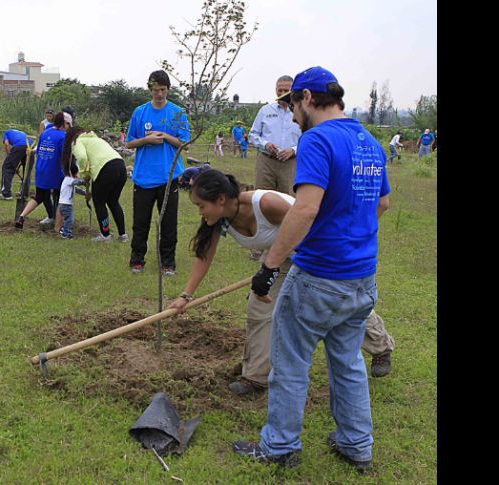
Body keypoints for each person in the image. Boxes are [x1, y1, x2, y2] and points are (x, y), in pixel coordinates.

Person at [231, 66, 391, 473]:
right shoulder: (368, 140)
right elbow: (383, 204)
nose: (290, 113)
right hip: (361, 278)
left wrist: (269, 267)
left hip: (319, 276)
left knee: (290, 362)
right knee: (348, 361)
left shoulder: (317, 139)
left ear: (306, 98)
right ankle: (357, 445)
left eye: (291, 104)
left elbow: (305, 208)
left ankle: (280, 446)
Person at [168, 169, 395, 400]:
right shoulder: (219, 219)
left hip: (317, 250)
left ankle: (381, 347)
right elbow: (204, 256)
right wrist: (185, 296)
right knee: (259, 308)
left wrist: (296, 267)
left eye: (201, 205)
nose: (200, 212)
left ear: (221, 199)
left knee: (337, 302)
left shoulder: (266, 204)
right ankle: (255, 376)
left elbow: (311, 228)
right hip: (278, 257)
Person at [125, 69, 191, 275]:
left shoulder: (177, 113)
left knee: (169, 223)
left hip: (168, 176)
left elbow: (185, 143)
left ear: (168, 89)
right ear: (150, 90)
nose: (159, 94)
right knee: (140, 222)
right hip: (143, 177)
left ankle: (168, 263)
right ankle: (137, 260)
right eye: (155, 90)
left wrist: (165, 136)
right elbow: (129, 142)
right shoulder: (140, 112)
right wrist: (146, 140)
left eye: (163, 90)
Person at [61, 126, 129, 243]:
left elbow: (82, 157)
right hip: (120, 166)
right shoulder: (96, 139)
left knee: (99, 203)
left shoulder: (77, 141)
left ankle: (105, 235)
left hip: (105, 169)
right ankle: (123, 235)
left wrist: (84, 173)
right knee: (113, 201)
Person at [14, 112, 70, 229]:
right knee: (60, 197)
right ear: (63, 124)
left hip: (41, 169)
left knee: (39, 196)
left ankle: (21, 217)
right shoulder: (62, 136)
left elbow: (38, 150)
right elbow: (64, 156)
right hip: (54, 172)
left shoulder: (45, 133)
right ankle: (58, 227)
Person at [248, 75, 302, 195]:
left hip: (291, 164)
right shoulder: (265, 111)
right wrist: (265, 144)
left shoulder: (300, 112)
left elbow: (308, 139)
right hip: (266, 161)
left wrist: (293, 150)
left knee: (289, 200)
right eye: (280, 90)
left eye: (286, 90)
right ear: (275, 90)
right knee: (261, 198)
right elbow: (253, 135)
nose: (282, 93)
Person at [57, 150, 85, 240]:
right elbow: (77, 183)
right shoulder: (68, 179)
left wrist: (84, 193)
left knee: (67, 219)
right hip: (66, 204)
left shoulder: (69, 181)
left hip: (63, 204)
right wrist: (84, 181)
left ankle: (63, 230)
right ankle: (66, 233)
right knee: (70, 219)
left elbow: (75, 189)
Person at [0, 128, 29, 200]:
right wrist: (16, 167)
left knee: (7, 167)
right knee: (27, 170)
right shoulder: (22, 132)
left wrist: (9, 157)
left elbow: (6, 144)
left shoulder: (6, 133)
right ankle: (24, 193)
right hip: (29, 147)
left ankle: (6, 194)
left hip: (19, 146)